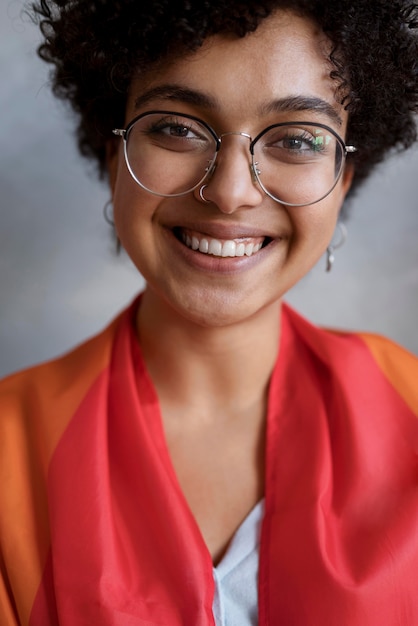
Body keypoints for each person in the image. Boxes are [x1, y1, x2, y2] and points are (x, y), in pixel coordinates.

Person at [1, 1, 418, 624]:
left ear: (344, 178)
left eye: (299, 140)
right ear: (115, 154)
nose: (229, 192)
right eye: (177, 127)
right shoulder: (9, 452)